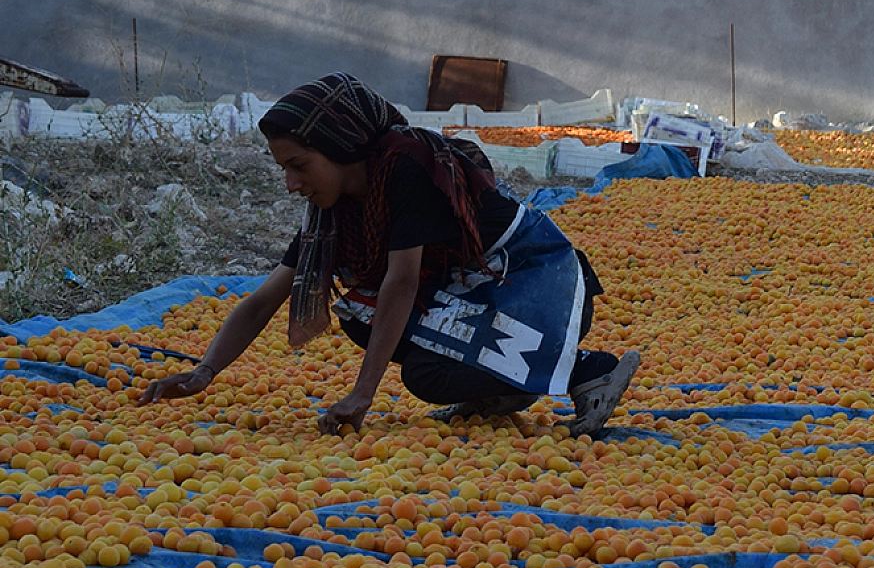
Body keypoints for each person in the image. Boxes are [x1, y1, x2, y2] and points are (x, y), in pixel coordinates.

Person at [139, 73, 641, 436]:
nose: (292, 185)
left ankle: (587, 368)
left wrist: (362, 394)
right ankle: (499, 389)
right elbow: (265, 297)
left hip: (533, 283)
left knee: (410, 357)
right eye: (284, 170)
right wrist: (204, 371)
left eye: (300, 166)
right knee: (367, 322)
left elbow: (403, 281)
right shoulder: (333, 211)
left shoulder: (407, 168)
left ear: (341, 146)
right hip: (475, 293)